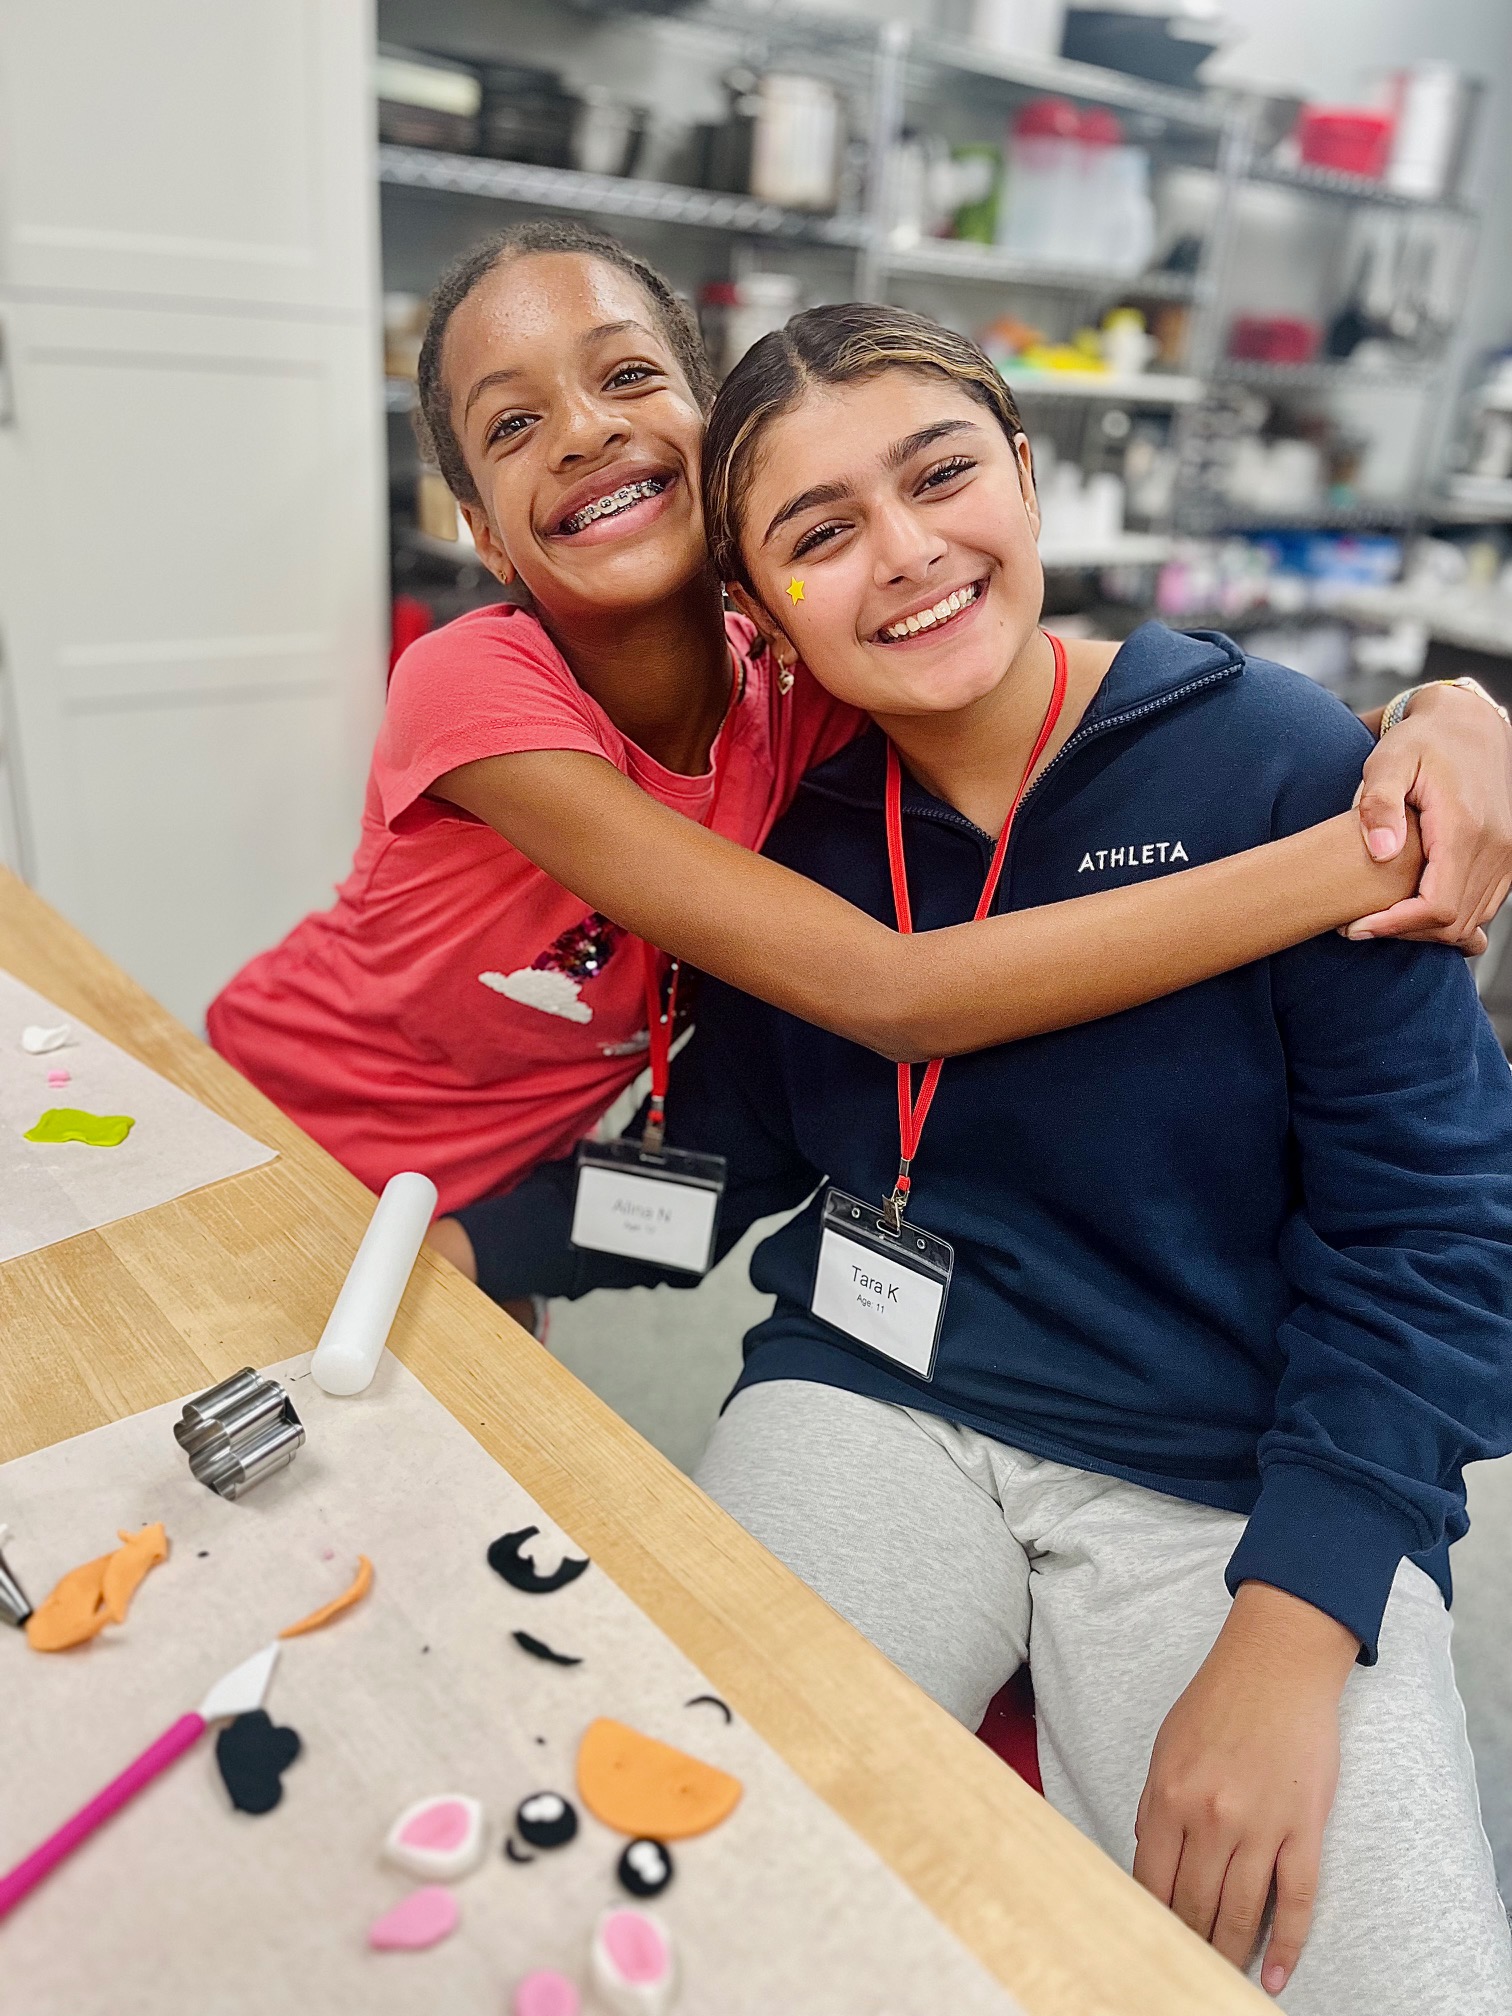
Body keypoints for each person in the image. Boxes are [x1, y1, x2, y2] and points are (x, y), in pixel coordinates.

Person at [452, 304, 1512, 2015]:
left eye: (940, 475)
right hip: (870, 1394)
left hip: (1216, 1466)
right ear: (759, 606)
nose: (905, 552)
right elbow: (727, 1153)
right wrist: (483, 1247)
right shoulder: (801, 842)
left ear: (1024, 473)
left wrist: (1298, 1616)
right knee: (681, 1877)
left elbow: (1440, 1236)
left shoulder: (1292, 771)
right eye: (819, 532)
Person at [209, 222, 1512, 1236]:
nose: (587, 429)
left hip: (472, 1198)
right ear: (485, 536)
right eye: (513, 424)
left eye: (628, 376)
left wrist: (1430, 719)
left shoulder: (799, 675)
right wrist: (1367, 853)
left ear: (711, 433)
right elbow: (896, 996)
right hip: (271, 1125)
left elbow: (1122, 714)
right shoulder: (471, 683)